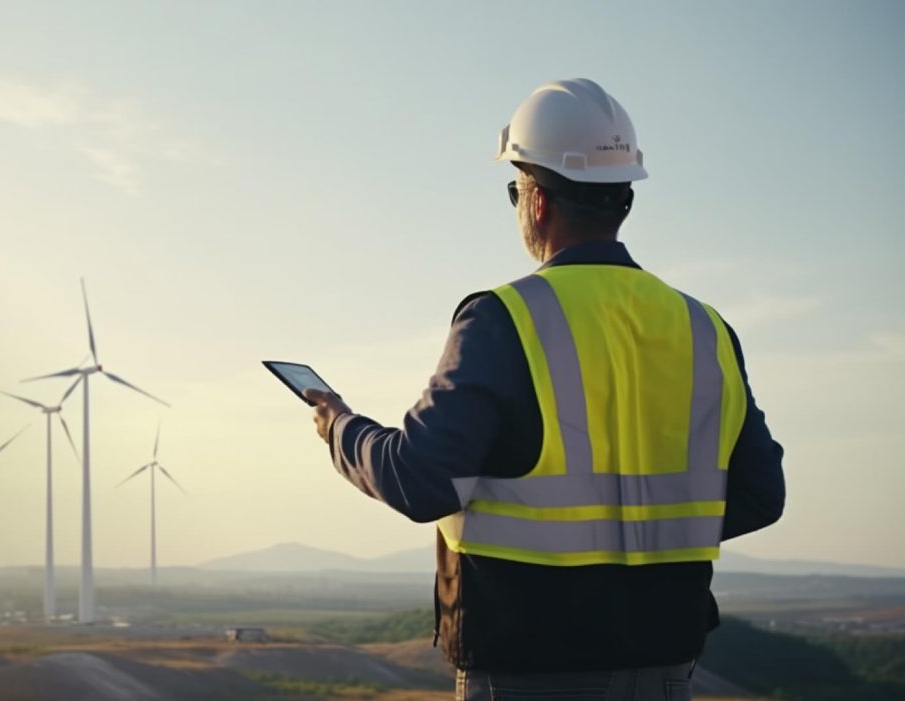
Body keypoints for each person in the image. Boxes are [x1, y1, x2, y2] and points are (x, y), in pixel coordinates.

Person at [303, 79, 785, 700]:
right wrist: (640, 536)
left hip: (529, 670)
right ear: (625, 200)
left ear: (536, 201)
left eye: (514, 190)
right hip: (666, 671)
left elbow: (418, 482)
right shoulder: (704, 328)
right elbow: (761, 495)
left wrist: (339, 426)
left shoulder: (504, 320)